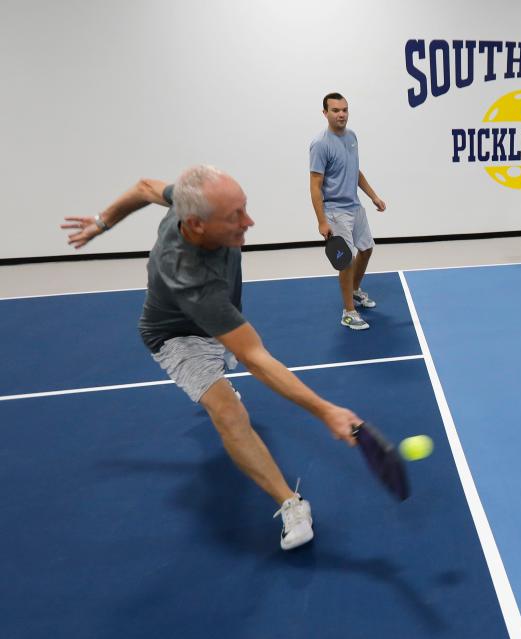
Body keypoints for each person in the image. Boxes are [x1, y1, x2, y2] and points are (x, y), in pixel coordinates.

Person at [61, 166, 361, 551]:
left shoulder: (186, 202)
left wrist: (102, 222)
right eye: (234, 216)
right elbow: (254, 356)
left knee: (230, 382)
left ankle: (225, 391)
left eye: (245, 208)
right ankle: (291, 502)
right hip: (177, 335)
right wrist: (325, 410)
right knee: (230, 414)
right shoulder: (190, 276)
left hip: (221, 316)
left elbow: (143, 187)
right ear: (196, 225)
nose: (249, 222)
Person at [309, 92, 387, 331]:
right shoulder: (320, 143)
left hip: (354, 205)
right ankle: (348, 312)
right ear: (325, 113)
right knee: (345, 261)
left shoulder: (352, 137)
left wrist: (373, 195)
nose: (341, 114)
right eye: (335, 110)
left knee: (366, 249)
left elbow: (356, 171)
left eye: (344, 109)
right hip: (335, 209)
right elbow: (315, 185)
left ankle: (354, 291)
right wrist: (322, 221)